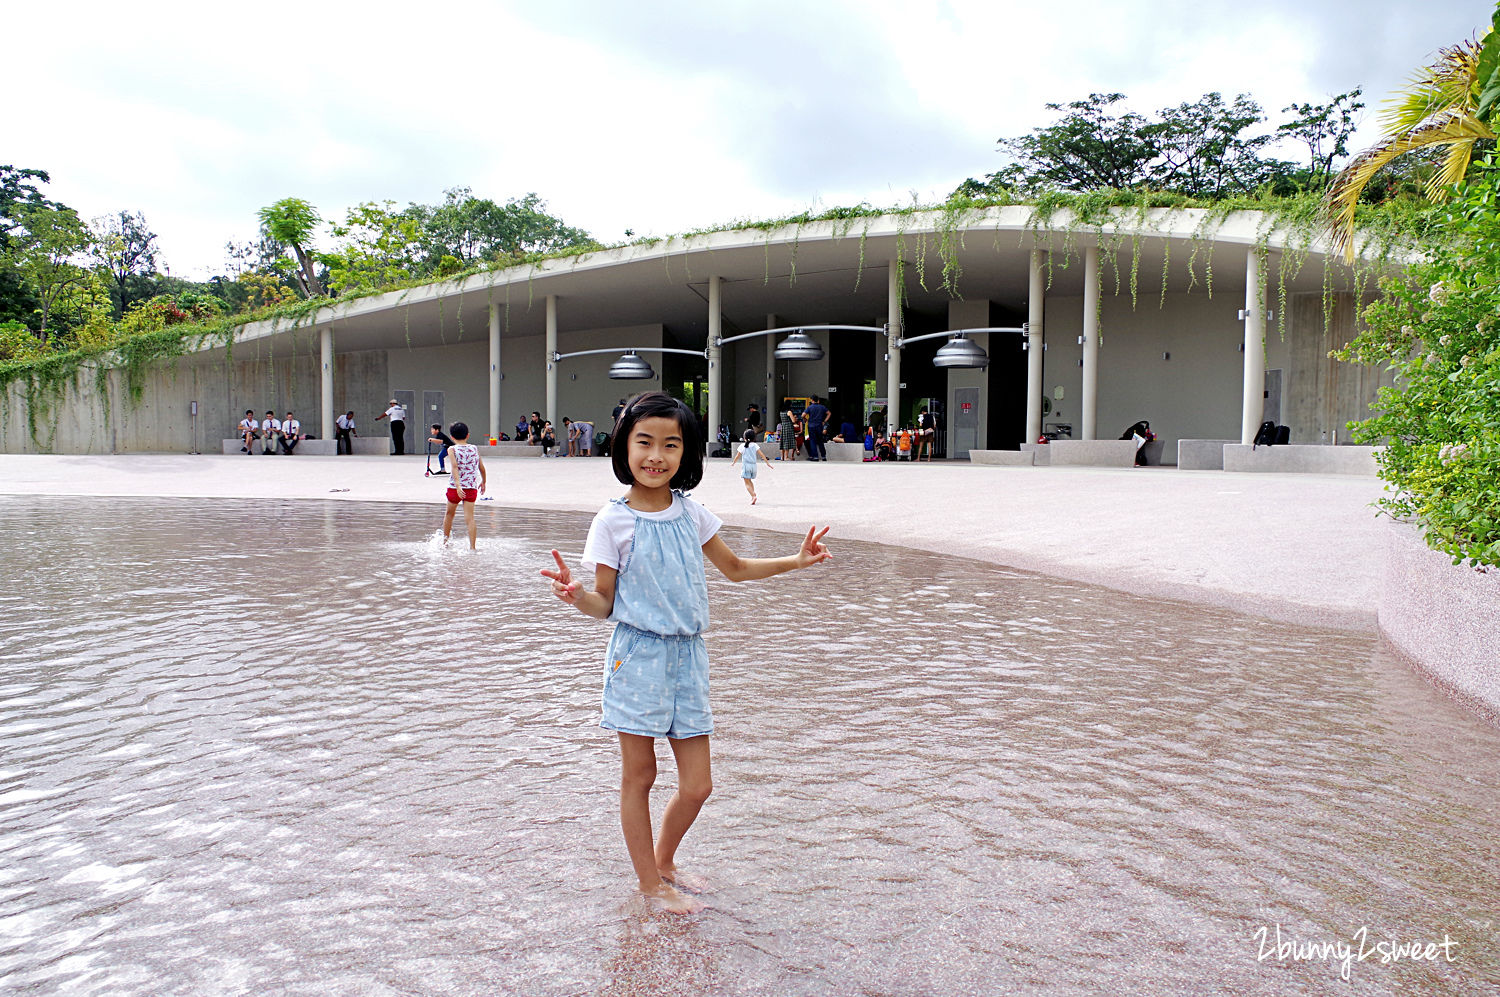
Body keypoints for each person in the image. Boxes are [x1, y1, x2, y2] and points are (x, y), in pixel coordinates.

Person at [540, 392, 831, 914]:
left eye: (670, 445)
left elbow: (736, 569)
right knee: (641, 775)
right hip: (638, 655)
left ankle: (665, 861)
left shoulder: (692, 514)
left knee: (698, 786)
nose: (656, 456)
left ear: (687, 453)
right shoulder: (613, 521)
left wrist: (796, 561)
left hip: (689, 657)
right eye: (644, 442)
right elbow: (603, 603)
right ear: (624, 447)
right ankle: (649, 883)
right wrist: (575, 594)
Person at [441, 421, 487, 549]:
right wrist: (484, 482)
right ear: (468, 435)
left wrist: (458, 485)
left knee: (449, 514)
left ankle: (445, 543)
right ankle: (472, 547)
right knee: (470, 518)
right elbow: (481, 467)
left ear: (452, 437)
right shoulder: (474, 448)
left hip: (455, 488)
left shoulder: (452, 449)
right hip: (471, 487)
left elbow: (454, 467)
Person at [729, 428, 772, 504]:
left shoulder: (742, 446)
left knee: (746, 483)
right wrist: (767, 463)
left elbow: (737, 456)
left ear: (744, 438)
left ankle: (753, 495)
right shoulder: (755, 445)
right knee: (750, 481)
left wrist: (733, 463)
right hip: (754, 466)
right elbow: (762, 454)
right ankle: (753, 495)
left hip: (746, 466)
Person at [804, 395, 829, 461]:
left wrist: (805, 419)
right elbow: (829, 413)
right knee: (820, 441)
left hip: (811, 426)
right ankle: (823, 456)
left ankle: (815, 457)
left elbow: (803, 415)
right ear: (818, 400)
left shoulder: (809, 407)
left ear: (812, 400)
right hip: (819, 426)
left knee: (812, 441)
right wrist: (824, 421)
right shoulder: (822, 407)